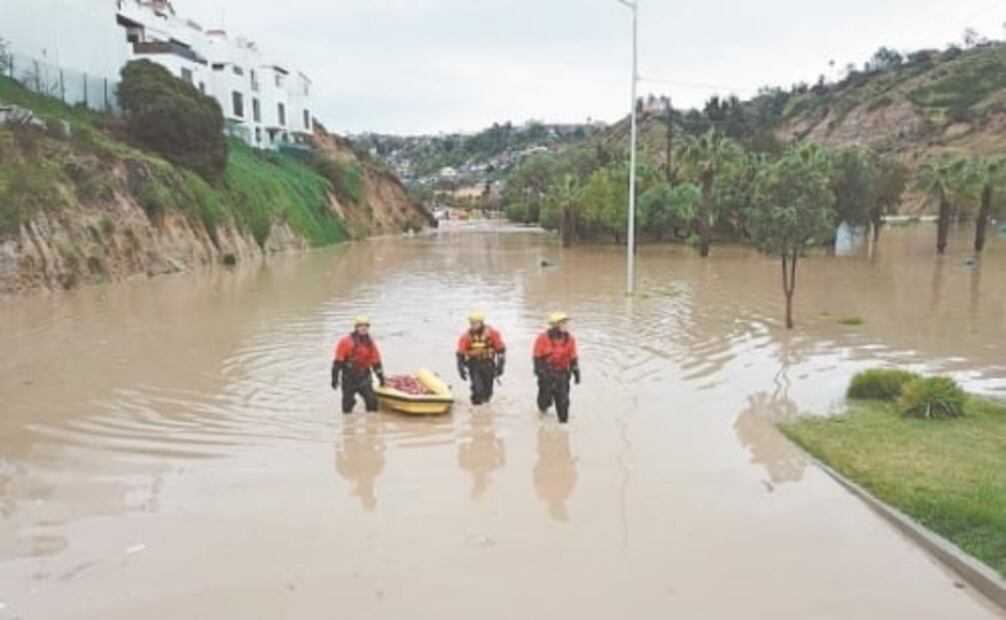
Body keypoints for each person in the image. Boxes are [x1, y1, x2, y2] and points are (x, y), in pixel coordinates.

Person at [533, 312, 580, 424]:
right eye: (563, 323)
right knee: (544, 401)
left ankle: (563, 424)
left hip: (562, 375)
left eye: (566, 323)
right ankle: (542, 417)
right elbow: (537, 358)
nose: (566, 325)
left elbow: (573, 357)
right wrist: (541, 373)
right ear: (555, 325)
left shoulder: (570, 339)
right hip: (546, 374)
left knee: (563, 402)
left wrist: (576, 372)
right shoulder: (542, 338)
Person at [331, 316, 386, 414]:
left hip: (364, 378)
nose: (363, 328)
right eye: (361, 325)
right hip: (348, 379)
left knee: (372, 403)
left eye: (366, 326)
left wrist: (381, 378)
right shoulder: (345, 342)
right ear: (356, 327)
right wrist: (334, 379)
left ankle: (371, 425)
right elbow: (337, 363)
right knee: (347, 409)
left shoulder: (370, 343)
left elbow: (376, 362)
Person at [456, 310, 506, 405]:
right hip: (474, 365)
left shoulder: (492, 333)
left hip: (488, 364)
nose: (473, 326)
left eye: (475, 323)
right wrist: (460, 368)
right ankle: (476, 409)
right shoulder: (466, 336)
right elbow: (460, 353)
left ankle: (484, 411)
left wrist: (501, 365)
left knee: (488, 392)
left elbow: (500, 350)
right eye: (472, 323)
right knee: (477, 390)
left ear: (481, 323)